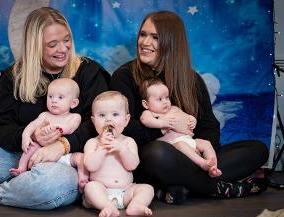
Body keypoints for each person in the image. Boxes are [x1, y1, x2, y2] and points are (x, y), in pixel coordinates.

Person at [0, 7, 110, 209]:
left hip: (68, 160)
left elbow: (98, 124)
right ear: (35, 46)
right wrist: (31, 136)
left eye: (66, 40)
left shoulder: (89, 72)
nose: (63, 49)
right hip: (20, 151)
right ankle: (22, 186)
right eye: (52, 44)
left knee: (49, 186)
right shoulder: (13, 76)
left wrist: (62, 145)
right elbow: (1, 127)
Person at [110, 11, 269, 204]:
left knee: (257, 149)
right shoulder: (124, 76)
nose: (144, 42)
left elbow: (209, 125)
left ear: (171, 42)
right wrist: (166, 127)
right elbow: (124, 129)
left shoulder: (191, 80)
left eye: (155, 37)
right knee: (156, 153)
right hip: (152, 160)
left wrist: (201, 151)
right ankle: (220, 188)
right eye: (143, 34)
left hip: (192, 156)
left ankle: (182, 185)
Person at [82, 91, 154, 217]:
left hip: (126, 192)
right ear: (93, 121)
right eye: (102, 115)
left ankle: (136, 205)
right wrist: (102, 148)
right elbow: (90, 166)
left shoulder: (128, 142)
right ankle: (106, 206)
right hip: (102, 192)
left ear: (126, 120)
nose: (108, 119)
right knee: (91, 187)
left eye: (115, 114)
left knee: (147, 189)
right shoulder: (92, 143)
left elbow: (132, 165)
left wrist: (122, 149)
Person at [9, 78, 89, 192]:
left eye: (60, 97)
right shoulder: (45, 115)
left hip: (64, 155)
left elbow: (70, 129)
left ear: (73, 103)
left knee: (81, 157)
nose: (54, 101)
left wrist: (56, 127)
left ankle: (83, 179)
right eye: (50, 96)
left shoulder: (74, 117)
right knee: (31, 147)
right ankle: (21, 168)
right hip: (42, 153)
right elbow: (32, 125)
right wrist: (26, 136)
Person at [140, 78, 222, 177]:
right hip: (174, 146)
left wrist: (192, 120)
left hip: (188, 140)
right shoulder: (149, 113)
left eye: (167, 97)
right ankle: (202, 163)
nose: (165, 102)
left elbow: (186, 117)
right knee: (181, 144)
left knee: (206, 143)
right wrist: (161, 123)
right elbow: (145, 120)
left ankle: (213, 168)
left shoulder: (174, 108)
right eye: (160, 99)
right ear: (145, 104)